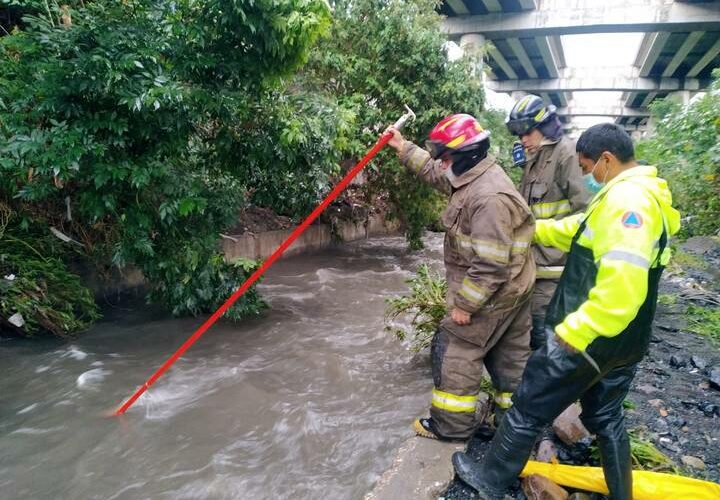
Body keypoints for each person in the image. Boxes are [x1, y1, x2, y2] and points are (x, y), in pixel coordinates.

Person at [452, 123, 681, 499]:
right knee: (606, 417)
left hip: (591, 338)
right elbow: (576, 228)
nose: (588, 176)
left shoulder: (629, 205)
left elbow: (623, 288)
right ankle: (620, 492)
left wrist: (574, 333)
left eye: (589, 168)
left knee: (528, 405)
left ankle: (488, 482)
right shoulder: (632, 195)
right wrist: (528, 230)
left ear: (607, 159)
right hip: (627, 341)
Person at [385, 114, 535, 440]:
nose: (442, 163)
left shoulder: (488, 198)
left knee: (456, 351)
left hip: (493, 292)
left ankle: (452, 427)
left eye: (446, 156)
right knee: (511, 359)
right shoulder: (475, 177)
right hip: (514, 288)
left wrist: (465, 306)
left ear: (464, 156)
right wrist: (402, 146)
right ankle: (513, 425)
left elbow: (491, 264)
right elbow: (436, 173)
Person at [507, 94, 590, 350]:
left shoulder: (567, 156)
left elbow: (587, 214)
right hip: (532, 268)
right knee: (529, 337)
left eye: (527, 132)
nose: (523, 140)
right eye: (518, 134)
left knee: (546, 341)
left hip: (555, 272)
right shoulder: (534, 159)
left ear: (544, 127)